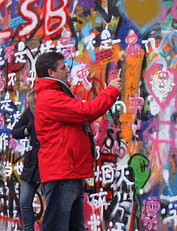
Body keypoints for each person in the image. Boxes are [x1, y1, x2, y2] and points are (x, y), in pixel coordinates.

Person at [34, 52, 121, 231]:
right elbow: (87, 111)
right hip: (62, 173)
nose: (67, 70)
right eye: (62, 67)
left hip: (70, 173)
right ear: (51, 72)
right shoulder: (50, 97)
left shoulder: (57, 94)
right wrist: (111, 91)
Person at [12, 89, 40, 231]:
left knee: (54, 204)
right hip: (32, 163)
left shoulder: (52, 108)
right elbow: (15, 131)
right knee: (24, 201)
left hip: (50, 160)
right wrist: (27, 131)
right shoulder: (30, 111)